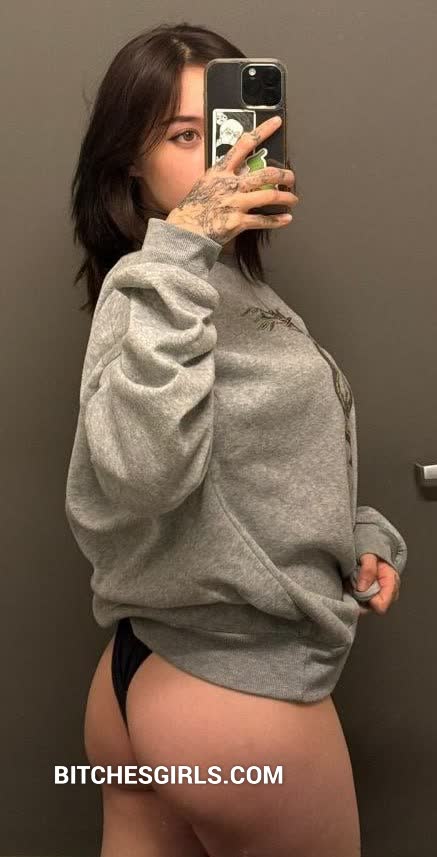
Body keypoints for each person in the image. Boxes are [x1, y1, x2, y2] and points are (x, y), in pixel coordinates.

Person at [65, 22, 407, 857]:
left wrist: (354, 534)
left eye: (220, 130)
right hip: (234, 692)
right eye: (183, 136)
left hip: (147, 683)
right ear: (130, 162)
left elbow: (252, 461)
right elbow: (145, 475)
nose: (222, 157)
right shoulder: (152, 284)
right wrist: (182, 247)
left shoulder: (225, 284)